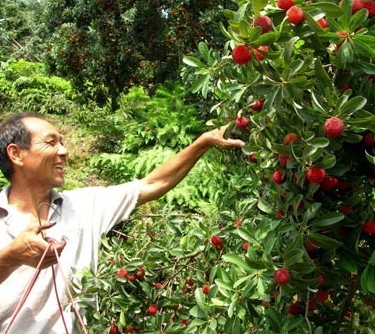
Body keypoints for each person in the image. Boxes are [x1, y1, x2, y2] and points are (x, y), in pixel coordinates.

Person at [0, 111, 244, 334]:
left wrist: (204, 142)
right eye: (51, 142)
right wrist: (10, 257)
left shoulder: (85, 205)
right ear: (16, 154)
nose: (63, 151)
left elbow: (151, 184)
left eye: (62, 142)